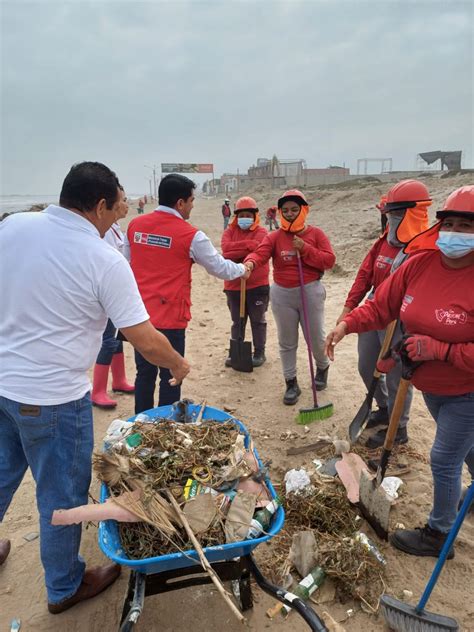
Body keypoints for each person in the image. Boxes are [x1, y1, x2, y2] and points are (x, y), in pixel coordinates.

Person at [0, 162, 190, 613]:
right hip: (53, 398)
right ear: (100, 205)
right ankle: (65, 586)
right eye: (120, 199)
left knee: (2, 472)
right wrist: (179, 365)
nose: (125, 206)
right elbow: (143, 338)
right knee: (61, 494)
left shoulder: (12, 227)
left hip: (3, 383)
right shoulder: (102, 258)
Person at [326, 185, 474, 558]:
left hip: (467, 387)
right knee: (462, 443)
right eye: (450, 224)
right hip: (432, 387)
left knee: (444, 457)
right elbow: (381, 304)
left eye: (467, 226)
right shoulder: (421, 264)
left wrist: (441, 349)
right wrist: (347, 324)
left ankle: (439, 534)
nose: (455, 233)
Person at [126, 174, 251, 413]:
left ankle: (140, 422)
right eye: (192, 200)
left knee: (144, 373)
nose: (193, 205)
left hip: (140, 316)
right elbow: (219, 267)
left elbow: (125, 263)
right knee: (173, 374)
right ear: (180, 203)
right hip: (171, 316)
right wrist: (242, 269)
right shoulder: (191, 235)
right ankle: (167, 425)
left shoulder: (135, 226)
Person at [335, 181, 431, 448]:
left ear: (412, 214)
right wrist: (347, 310)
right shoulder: (384, 242)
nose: (389, 221)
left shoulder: (424, 250)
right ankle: (384, 407)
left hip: (402, 318)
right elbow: (365, 275)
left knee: (397, 374)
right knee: (367, 365)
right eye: (388, 215)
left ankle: (398, 427)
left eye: (395, 215)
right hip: (373, 309)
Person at [245, 189, 335, 404]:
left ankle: (322, 367)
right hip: (282, 294)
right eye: (285, 210)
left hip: (310, 291)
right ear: (279, 213)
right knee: (287, 341)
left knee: (315, 338)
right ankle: (291, 382)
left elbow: (329, 261)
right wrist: (249, 262)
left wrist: (305, 248)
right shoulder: (274, 236)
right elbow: (260, 253)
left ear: (304, 210)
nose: (290, 214)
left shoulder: (316, 234)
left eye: (295, 209)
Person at [91, 188, 135, 408]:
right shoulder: (104, 231)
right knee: (108, 340)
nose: (127, 205)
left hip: (117, 290)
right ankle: (98, 390)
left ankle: (119, 380)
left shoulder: (115, 228)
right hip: (108, 293)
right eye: (124, 201)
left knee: (117, 339)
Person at [221, 196, 270, 368]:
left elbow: (260, 250)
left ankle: (259, 352)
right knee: (237, 321)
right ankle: (236, 351)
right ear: (236, 216)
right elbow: (226, 252)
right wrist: (249, 245)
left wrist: (242, 249)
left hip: (257, 286)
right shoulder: (229, 232)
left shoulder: (262, 232)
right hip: (233, 286)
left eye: (248, 214)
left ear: (255, 215)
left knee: (258, 320)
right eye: (241, 215)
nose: (244, 218)